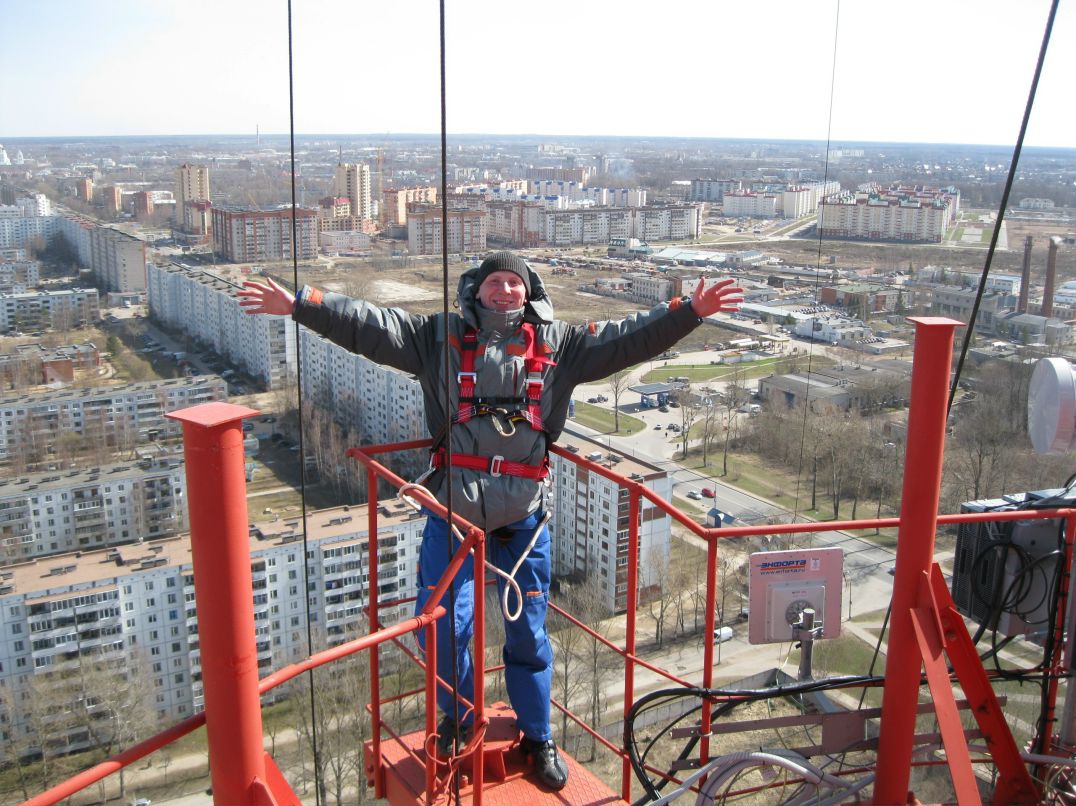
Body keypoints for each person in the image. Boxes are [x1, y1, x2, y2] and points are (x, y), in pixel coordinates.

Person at [238, 252, 742, 790]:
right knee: (442, 627)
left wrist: (690, 311)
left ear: (528, 294)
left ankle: (537, 735)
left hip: (522, 516)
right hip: (454, 512)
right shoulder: (437, 341)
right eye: (495, 282)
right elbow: (369, 326)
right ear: (476, 291)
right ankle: (458, 720)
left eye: (514, 283)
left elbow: (628, 339)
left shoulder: (560, 346)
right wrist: (300, 304)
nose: (504, 291)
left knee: (528, 631)